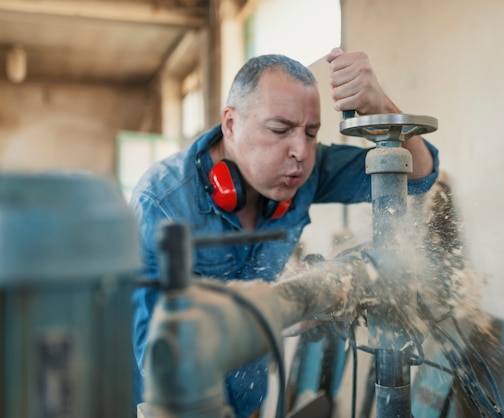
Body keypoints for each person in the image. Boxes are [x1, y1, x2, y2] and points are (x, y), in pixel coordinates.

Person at [130, 47, 440, 417]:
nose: (301, 152)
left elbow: (419, 174)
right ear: (230, 123)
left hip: (249, 399)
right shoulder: (162, 204)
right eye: (280, 129)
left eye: (311, 133)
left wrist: (380, 107)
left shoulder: (308, 170)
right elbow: (156, 356)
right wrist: (274, 304)